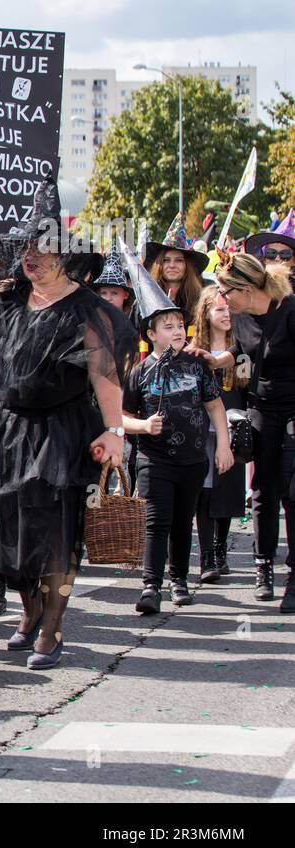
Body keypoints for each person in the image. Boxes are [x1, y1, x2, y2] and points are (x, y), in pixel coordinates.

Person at [0, 179, 136, 669]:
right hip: (3, 432)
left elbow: (106, 378)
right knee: (10, 530)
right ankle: (29, 614)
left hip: (59, 434)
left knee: (53, 533)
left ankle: (51, 631)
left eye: (44, 249)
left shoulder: (89, 311)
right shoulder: (9, 296)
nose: (32, 258)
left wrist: (115, 433)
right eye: (26, 248)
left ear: (66, 256)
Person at [121, 258, 232, 613]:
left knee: (184, 521)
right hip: (154, 458)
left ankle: (179, 580)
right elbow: (122, 416)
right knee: (157, 521)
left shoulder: (198, 364)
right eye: (168, 326)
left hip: (194, 458)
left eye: (180, 324)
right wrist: (142, 426)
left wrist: (225, 446)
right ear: (151, 334)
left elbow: (215, 406)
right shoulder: (139, 372)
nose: (178, 331)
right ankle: (151, 586)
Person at [206, 250, 295, 610]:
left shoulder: (289, 310)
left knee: (292, 488)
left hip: (293, 408)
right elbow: (241, 352)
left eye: (226, 293)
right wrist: (214, 359)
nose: (224, 302)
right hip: (262, 408)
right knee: (262, 489)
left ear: (245, 288)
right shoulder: (242, 319)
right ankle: (264, 566)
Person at [189, 286, 248, 586]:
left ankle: (220, 547)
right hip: (201, 428)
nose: (226, 315)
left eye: (228, 309)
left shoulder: (241, 348)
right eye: (219, 309)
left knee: (227, 488)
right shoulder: (194, 349)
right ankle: (207, 556)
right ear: (206, 313)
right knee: (205, 489)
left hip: (233, 425)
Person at [143, 213, 207, 330]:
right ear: (159, 265)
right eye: (166, 260)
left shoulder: (200, 301)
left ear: (187, 266)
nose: (172, 265)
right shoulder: (145, 300)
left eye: (178, 260)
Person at [91, 250, 135, 316]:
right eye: (103, 293)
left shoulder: (135, 321)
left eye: (114, 293)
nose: (108, 298)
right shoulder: (91, 320)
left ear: (126, 295)